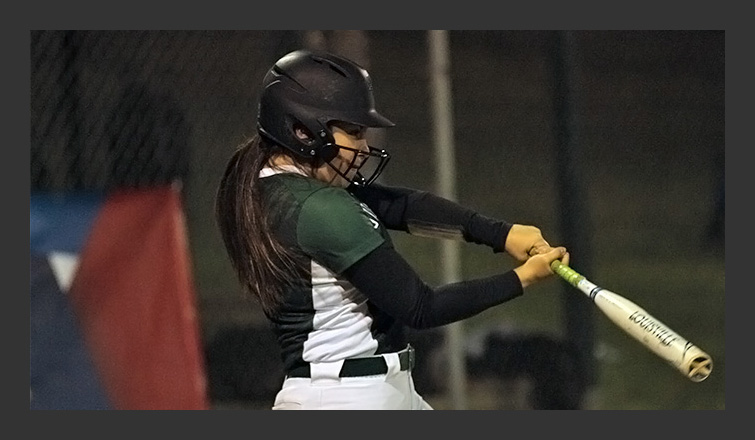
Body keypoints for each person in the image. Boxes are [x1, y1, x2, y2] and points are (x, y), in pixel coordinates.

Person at [215, 49, 569, 410]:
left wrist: (500, 234)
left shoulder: (272, 186)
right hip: (348, 398)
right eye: (353, 132)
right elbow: (421, 307)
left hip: (363, 390)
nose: (363, 146)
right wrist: (522, 278)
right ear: (303, 132)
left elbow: (397, 205)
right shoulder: (320, 209)